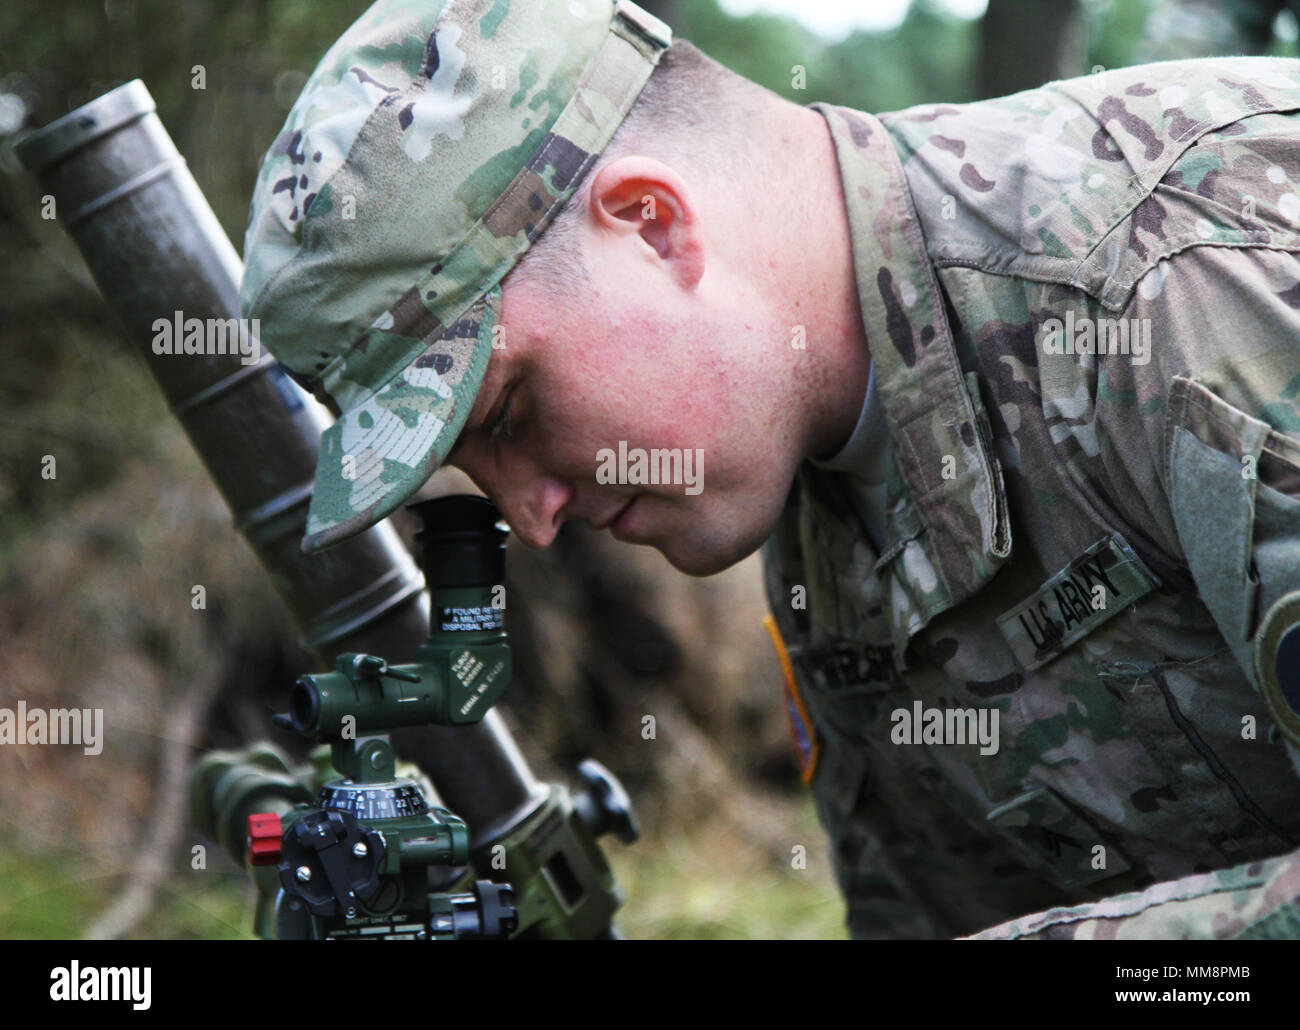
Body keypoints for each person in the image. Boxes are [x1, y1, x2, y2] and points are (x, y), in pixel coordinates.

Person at [240, 0, 1300, 939]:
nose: (531, 513)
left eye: (512, 411)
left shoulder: (1184, 286)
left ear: (653, 227)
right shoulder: (809, 481)